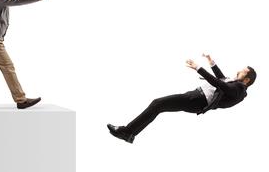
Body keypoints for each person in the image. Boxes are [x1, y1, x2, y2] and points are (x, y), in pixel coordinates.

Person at [107, 54, 257, 143]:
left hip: (198, 100)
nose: (238, 71)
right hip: (196, 97)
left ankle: (127, 132)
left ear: (247, 80)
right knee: (159, 105)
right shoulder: (237, 87)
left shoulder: (239, 90)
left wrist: (198, 68)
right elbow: (223, 79)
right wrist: (212, 62)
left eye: (243, 72)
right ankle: (129, 134)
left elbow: (219, 83)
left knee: (158, 103)